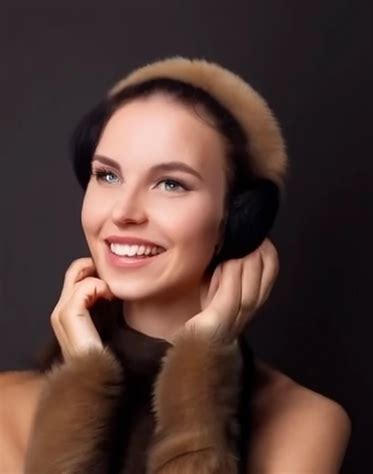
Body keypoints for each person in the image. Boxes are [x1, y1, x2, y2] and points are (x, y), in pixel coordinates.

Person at [0, 56, 351, 473]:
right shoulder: (8, 407)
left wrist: (199, 373)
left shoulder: (303, 422)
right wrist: (81, 396)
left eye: (171, 183)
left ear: (236, 220)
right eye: (108, 176)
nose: (125, 212)